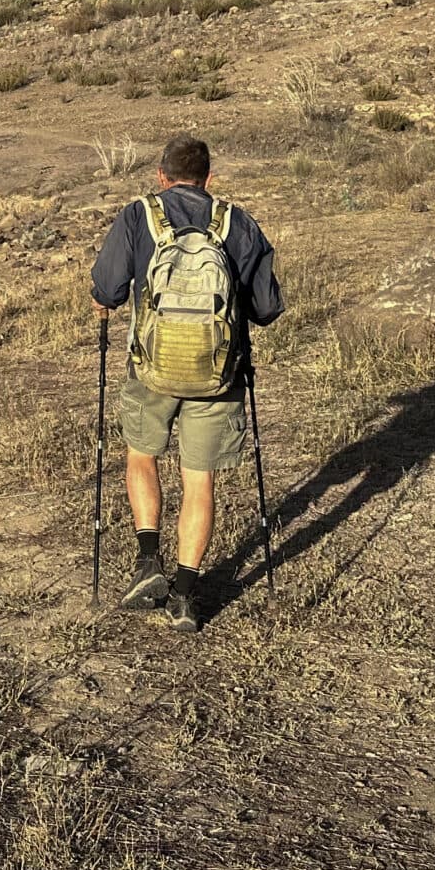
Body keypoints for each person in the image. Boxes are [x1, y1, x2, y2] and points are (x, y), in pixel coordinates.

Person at [90, 134, 284, 632]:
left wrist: (104, 300)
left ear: (161, 176)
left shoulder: (138, 216)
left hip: (150, 369)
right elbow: (266, 310)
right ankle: (185, 595)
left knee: (142, 454)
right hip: (219, 377)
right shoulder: (237, 223)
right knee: (199, 479)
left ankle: (147, 563)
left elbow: (107, 289)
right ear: (209, 179)